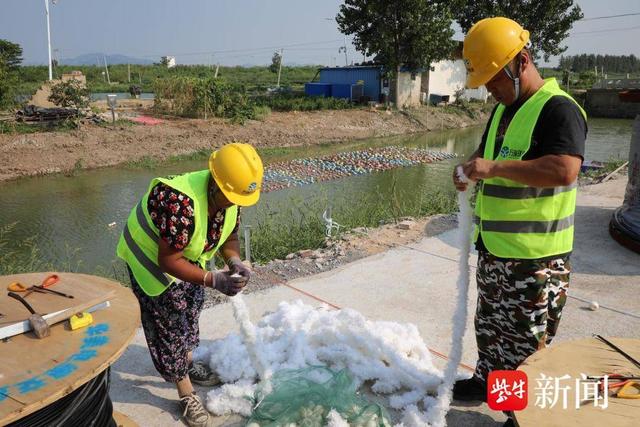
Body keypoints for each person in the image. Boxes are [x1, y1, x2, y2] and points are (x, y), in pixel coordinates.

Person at [451, 17, 587, 425]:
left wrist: (491, 169)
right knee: (491, 330)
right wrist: (468, 170)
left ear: (522, 61)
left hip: (535, 261)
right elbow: (485, 158)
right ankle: (486, 380)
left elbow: (564, 169)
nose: (490, 89)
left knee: (526, 347)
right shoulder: (504, 111)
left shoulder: (559, 110)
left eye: (494, 79)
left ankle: (520, 416)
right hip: (496, 252)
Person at [116, 142, 264, 427]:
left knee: (192, 304)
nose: (235, 203)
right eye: (231, 197)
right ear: (215, 185)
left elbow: (229, 237)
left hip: (182, 256)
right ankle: (184, 390)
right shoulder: (179, 202)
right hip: (151, 260)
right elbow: (169, 261)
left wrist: (234, 262)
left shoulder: (230, 196)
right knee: (169, 322)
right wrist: (212, 278)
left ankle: (185, 361)